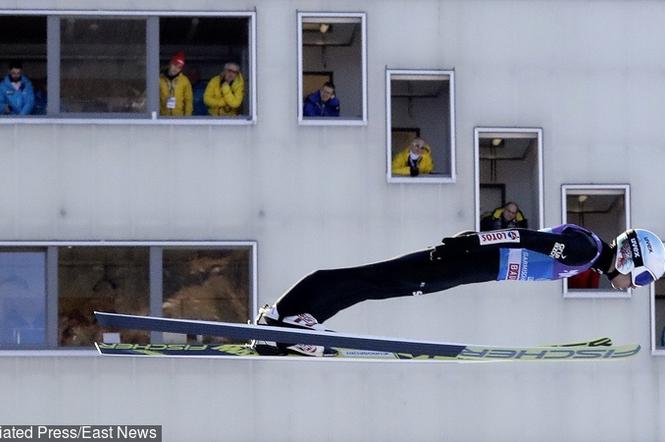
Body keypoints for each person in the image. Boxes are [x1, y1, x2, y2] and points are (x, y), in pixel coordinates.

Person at [254, 226, 665, 356]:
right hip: (470, 262)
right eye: (641, 278)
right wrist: (474, 242)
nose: (634, 287)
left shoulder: (588, 256)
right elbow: (526, 236)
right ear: (630, 258)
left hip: (474, 268)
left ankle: (296, 324)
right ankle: (284, 321)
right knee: (374, 281)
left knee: (374, 285)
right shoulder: (586, 249)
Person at [159, 51, 193, 116]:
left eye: (179, 67)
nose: (176, 69)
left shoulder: (184, 81)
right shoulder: (159, 79)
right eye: (174, 65)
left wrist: (187, 118)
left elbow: (188, 101)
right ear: (170, 63)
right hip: (162, 118)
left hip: (179, 119)